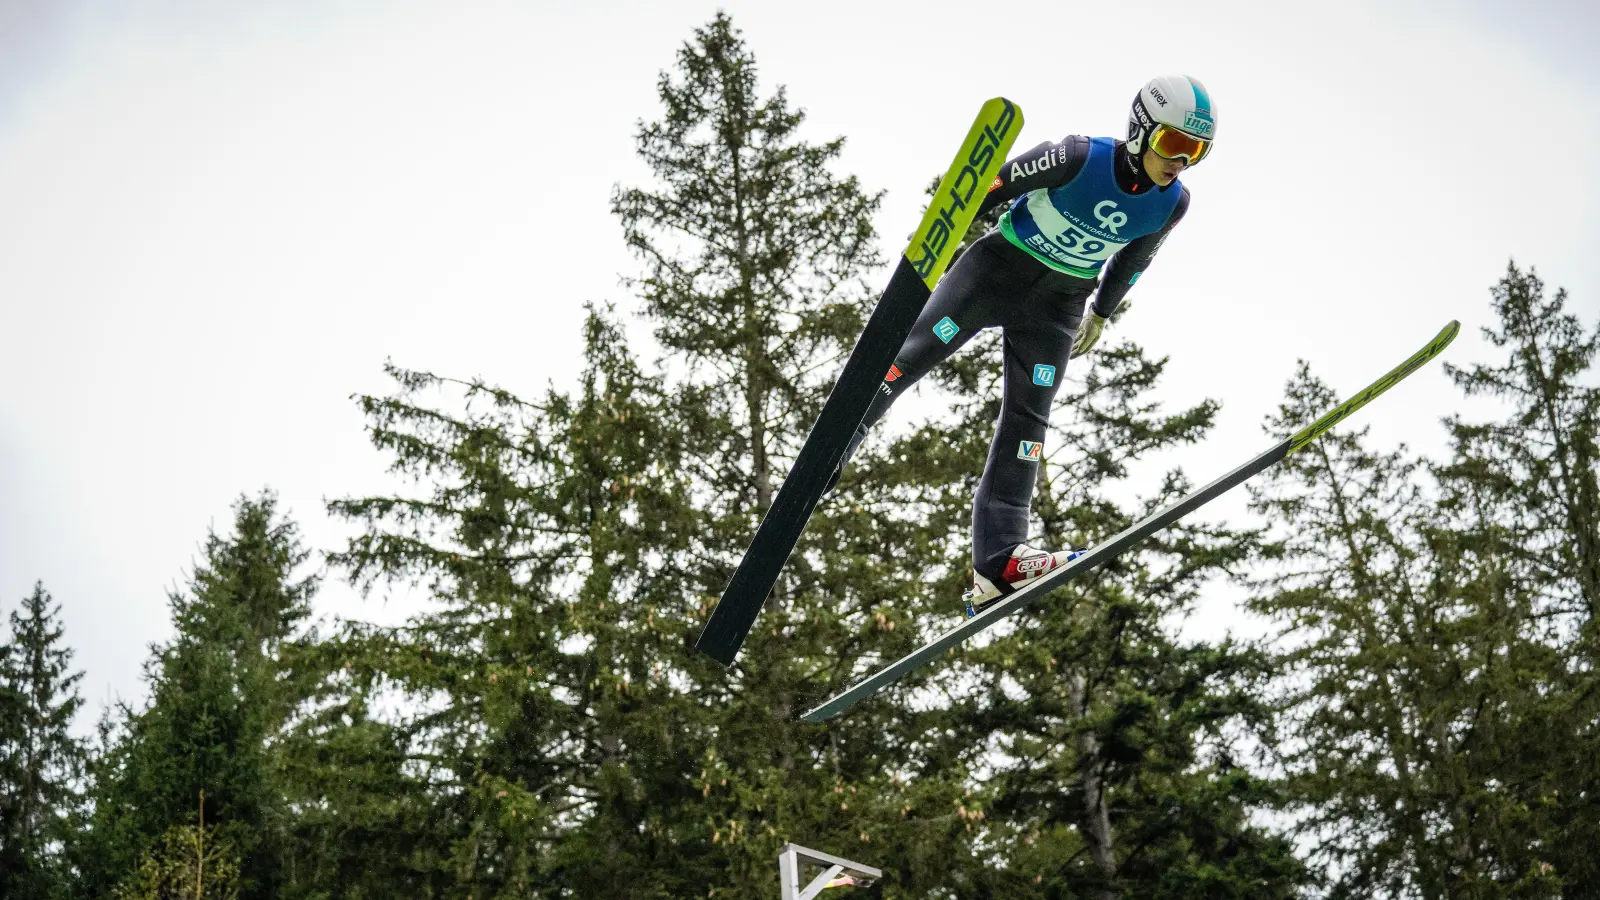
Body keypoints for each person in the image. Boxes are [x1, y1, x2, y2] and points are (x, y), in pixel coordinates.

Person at [827, 74, 1217, 617]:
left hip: (1058, 308)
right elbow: (988, 187)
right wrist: (936, 240)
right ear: (1141, 128)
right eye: (1174, 143)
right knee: (907, 360)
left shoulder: (1172, 203)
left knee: (1029, 423)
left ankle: (1000, 561)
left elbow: (1134, 258)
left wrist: (1102, 312)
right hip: (994, 275)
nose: (1181, 161)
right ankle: (839, 438)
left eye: (1196, 150)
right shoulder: (1077, 157)